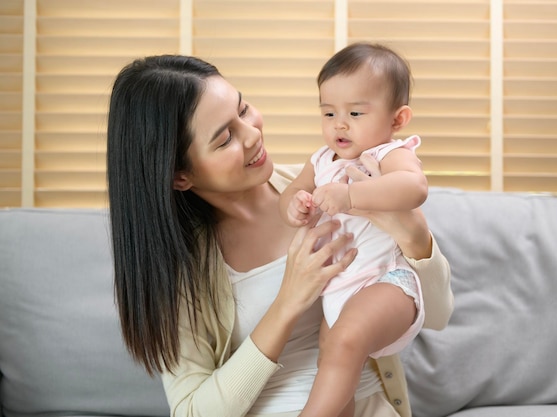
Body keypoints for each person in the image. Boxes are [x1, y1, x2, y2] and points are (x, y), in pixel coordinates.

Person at [106, 54, 453, 417]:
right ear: (180, 175)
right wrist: (287, 302)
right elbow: (193, 411)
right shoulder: (179, 267)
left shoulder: (339, 183)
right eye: (225, 138)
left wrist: (416, 238)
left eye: (243, 110)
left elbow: (436, 316)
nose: (253, 133)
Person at [279, 42, 428, 417]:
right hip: (338, 296)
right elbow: (293, 191)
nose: (339, 124)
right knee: (333, 364)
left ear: (397, 119)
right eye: (328, 112)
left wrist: (349, 195)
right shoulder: (320, 160)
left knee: (345, 341)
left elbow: (414, 188)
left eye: (356, 112)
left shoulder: (389, 153)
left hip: (387, 283)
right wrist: (295, 205)